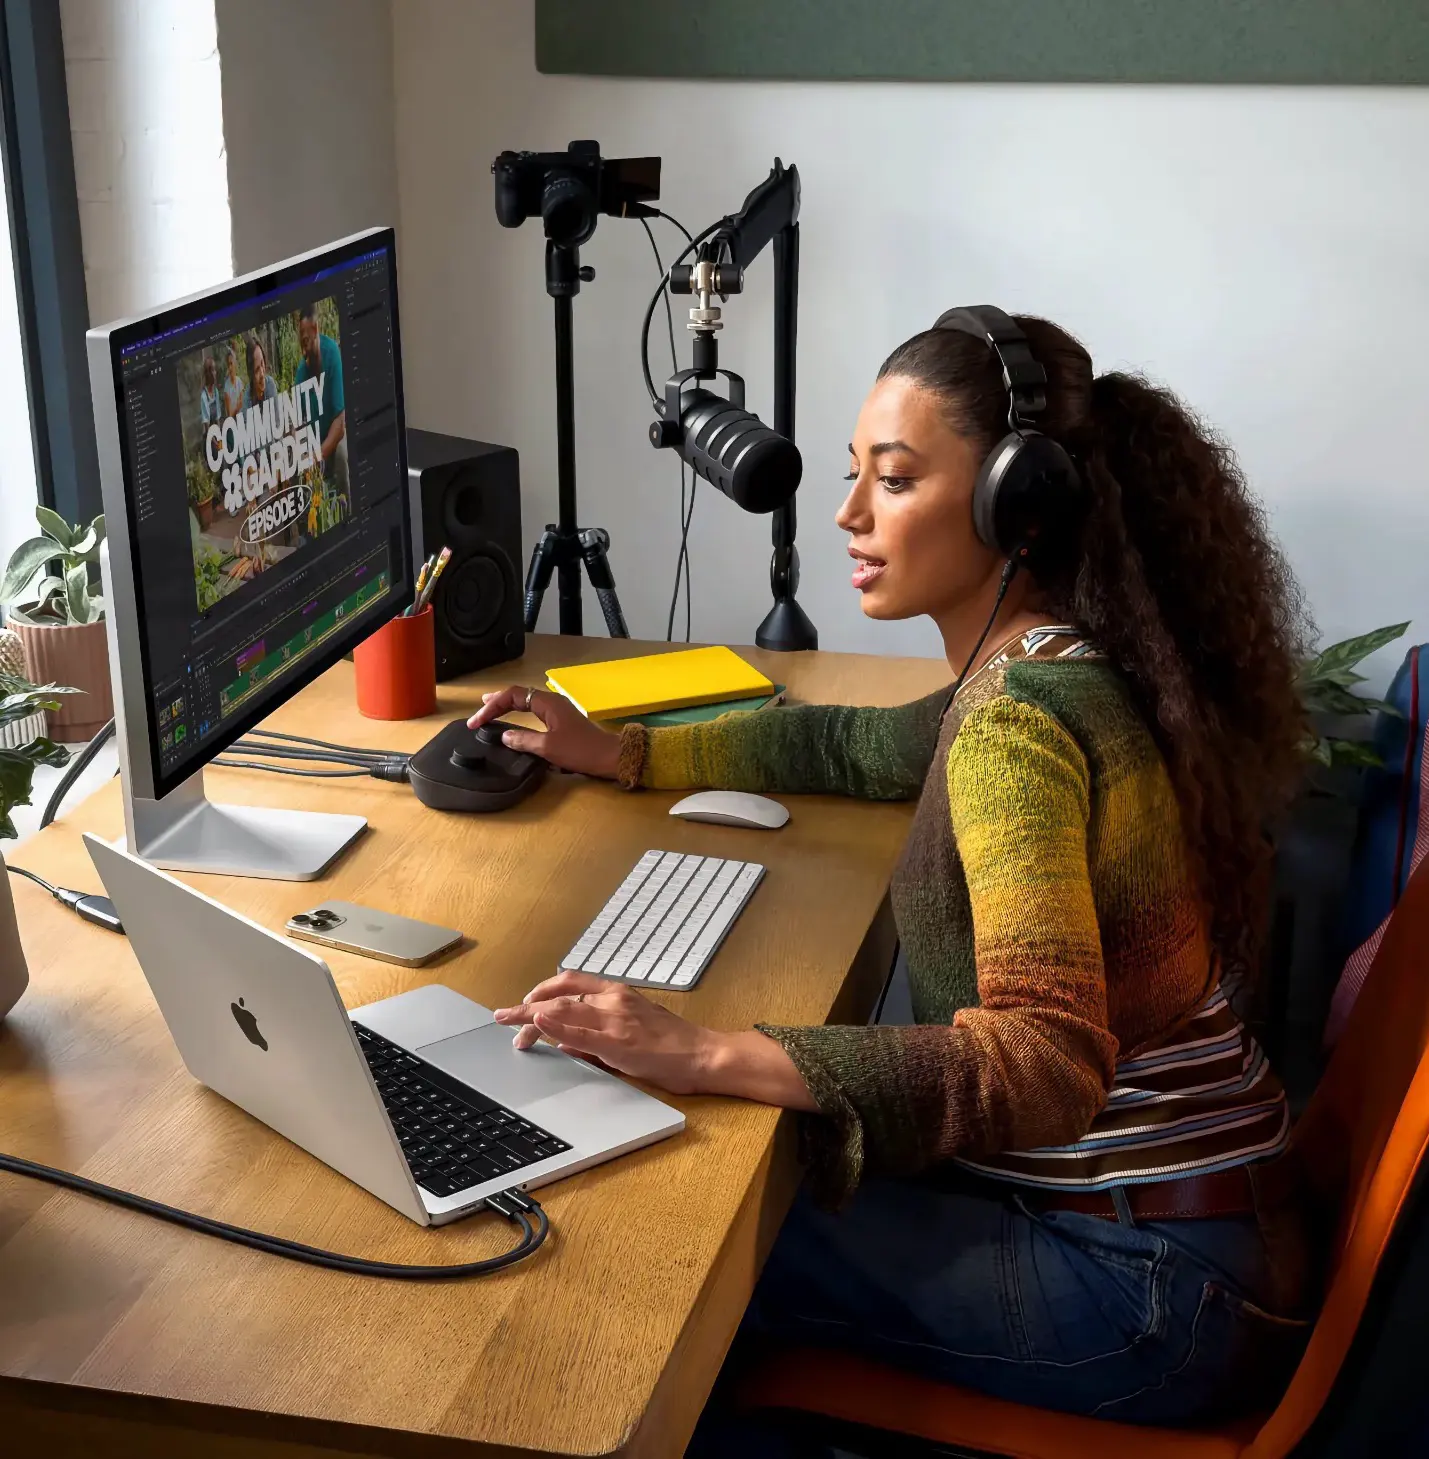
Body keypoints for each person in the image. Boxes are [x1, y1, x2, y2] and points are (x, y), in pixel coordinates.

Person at [469, 312, 1319, 1435]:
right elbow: (852, 745)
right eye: (851, 474)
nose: (847, 514)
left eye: (896, 479)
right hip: (1199, 1226)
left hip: (1153, 1286)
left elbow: (1042, 1064)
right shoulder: (1050, 661)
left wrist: (705, 1046)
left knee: (676, 1247)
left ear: (1012, 506)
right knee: (726, 1173)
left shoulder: (1020, 726)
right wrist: (625, 749)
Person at [294, 302, 347, 498]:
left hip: (335, 439)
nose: (304, 352)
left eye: (306, 341)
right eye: (302, 344)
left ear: (315, 330)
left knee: (342, 456)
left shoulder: (332, 353)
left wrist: (316, 455)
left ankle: (347, 510)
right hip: (315, 446)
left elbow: (340, 424)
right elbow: (299, 426)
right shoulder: (301, 373)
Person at [245, 333, 277, 410]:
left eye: (262, 363)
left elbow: (277, 419)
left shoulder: (270, 384)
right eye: (257, 370)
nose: (262, 374)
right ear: (251, 374)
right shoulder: (247, 399)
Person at [220, 345, 246, 419]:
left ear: (235, 364)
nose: (230, 367)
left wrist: (238, 407)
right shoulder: (227, 387)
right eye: (228, 364)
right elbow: (230, 415)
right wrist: (237, 407)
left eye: (231, 363)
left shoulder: (239, 381)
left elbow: (242, 403)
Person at [199, 353, 221, 429]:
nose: (215, 373)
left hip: (217, 432)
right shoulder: (204, 396)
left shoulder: (216, 392)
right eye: (213, 370)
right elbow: (207, 426)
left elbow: (218, 418)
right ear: (209, 373)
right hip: (210, 436)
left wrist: (220, 438)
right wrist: (216, 441)